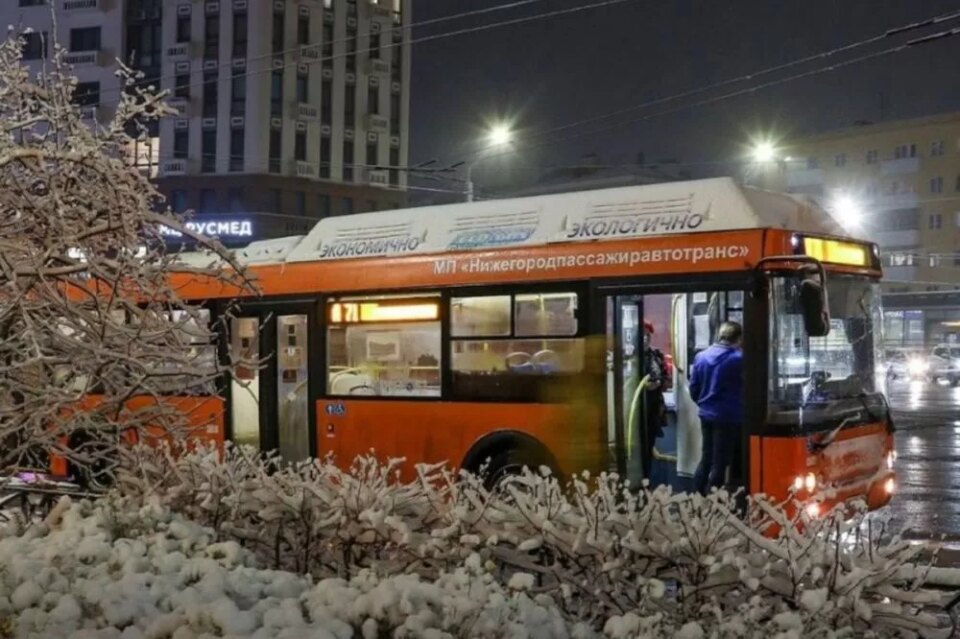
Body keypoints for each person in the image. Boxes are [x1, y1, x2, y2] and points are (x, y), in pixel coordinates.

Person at [689, 321, 743, 495]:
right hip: (728, 417)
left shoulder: (701, 356)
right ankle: (711, 502)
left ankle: (696, 496)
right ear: (738, 338)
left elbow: (694, 389)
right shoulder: (738, 359)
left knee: (706, 458)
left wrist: (705, 404)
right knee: (721, 462)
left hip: (706, 415)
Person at [641, 320, 669, 480]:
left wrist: (658, 383)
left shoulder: (656, 355)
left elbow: (665, 377)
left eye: (647, 335)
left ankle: (647, 477)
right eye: (642, 335)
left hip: (653, 407)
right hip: (635, 408)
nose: (645, 339)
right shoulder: (627, 356)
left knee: (649, 443)